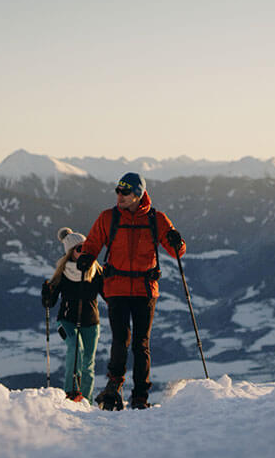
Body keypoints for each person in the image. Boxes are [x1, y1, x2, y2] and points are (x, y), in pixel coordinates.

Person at [76, 172, 186, 410]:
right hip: (116, 288)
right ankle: (114, 386)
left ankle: (140, 396)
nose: (119, 196)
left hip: (145, 290)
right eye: (117, 190)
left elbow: (177, 252)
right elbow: (93, 242)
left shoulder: (157, 219)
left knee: (141, 343)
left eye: (125, 192)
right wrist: (86, 256)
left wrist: (178, 241)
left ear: (138, 194)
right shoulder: (108, 218)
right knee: (120, 339)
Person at [41, 227, 105, 404]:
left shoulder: (96, 271)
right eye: (79, 249)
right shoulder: (63, 272)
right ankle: (70, 394)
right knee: (76, 348)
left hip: (92, 323)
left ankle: (86, 401)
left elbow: (108, 295)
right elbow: (50, 303)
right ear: (70, 253)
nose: (84, 251)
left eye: (86, 247)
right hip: (66, 321)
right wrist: (47, 293)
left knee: (88, 364)